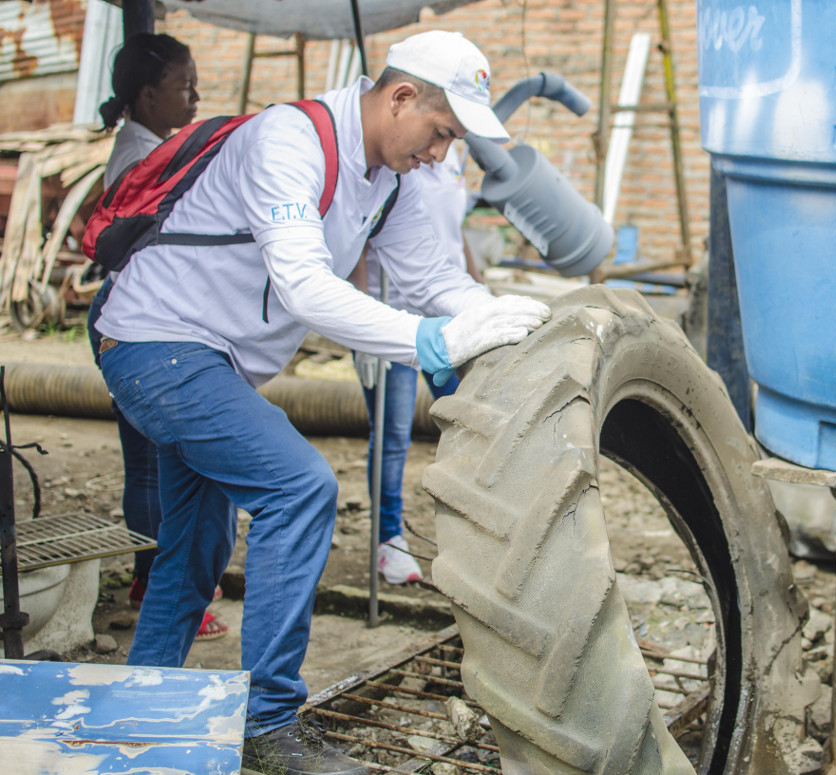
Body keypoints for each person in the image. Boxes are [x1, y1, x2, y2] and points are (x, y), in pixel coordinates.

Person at [93, 30, 550, 775]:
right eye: (440, 133)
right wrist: (435, 343)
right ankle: (270, 724)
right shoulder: (290, 139)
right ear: (400, 97)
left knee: (198, 539)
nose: (440, 154)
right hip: (156, 344)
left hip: (214, 362)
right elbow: (305, 284)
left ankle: (145, 699)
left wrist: (507, 323)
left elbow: (433, 283)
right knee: (298, 486)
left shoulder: (390, 180)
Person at [86, 32, 228, 641]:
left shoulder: (146, 146)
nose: (194, 97)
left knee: (153, 461)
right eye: (183, 85)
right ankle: (154, 580)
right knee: (151, 465)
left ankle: (160, 578)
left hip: (133, 314)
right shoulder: (140, 158)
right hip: (134, 319)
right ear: (147, 95)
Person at [355, 148, 478, 585]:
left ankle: (471, 532)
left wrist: (480, 287)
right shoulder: (393, 157)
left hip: (449, 319)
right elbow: (359, 235)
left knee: (471, 424)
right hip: (396, 320)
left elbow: (453, 230)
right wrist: (364, 315)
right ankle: (389, 539)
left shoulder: (453, 155)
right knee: (392, 434)